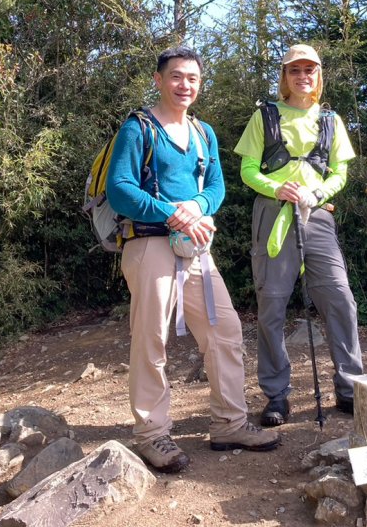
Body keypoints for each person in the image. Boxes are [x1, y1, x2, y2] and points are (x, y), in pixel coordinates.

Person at [105, 45, 280, 473]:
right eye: (177, 76)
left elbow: (217, 186)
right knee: (151, 338)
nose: (185, 85)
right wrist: (174, 214)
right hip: (149, 244)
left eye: (193, 79)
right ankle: (151, 434)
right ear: (159, 79)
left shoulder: (204, 133)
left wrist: (197, 206)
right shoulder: (138, 128)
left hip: (196, 248)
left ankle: (229, 423)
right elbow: (120, 189)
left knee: (225, 330)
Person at [234, 44, 364, 426]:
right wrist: (277, 189)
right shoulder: (265, 116)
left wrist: (318, 192)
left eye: (309, 70)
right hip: (273, 215)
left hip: (318, 216)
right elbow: (247, 170)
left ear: (318, 76)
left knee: (340, 298)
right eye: (295, 70)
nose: (302, 76)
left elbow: (339, 172)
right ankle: (276, 396)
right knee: (272, 305)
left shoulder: (331, 120)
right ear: (285, 76)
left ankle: (348, 388)